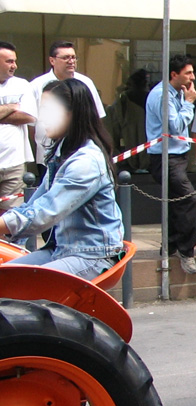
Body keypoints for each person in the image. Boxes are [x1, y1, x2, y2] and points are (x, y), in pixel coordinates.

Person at [1, 79, 123, 279]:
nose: (42, 119)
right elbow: (32, 206)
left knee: (19, 284)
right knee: (5, 279)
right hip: (62, 250)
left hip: (93, 257)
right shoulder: (62, 154)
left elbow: (45, 212)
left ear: (72, 113)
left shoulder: (85, 162)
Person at [145, 54, 196, 274]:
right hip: (165, 158)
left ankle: (170, 247)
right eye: (188, 73)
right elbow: (175, 127)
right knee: (188, 200)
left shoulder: (178, 92)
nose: (192, 77)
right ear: (174, 74)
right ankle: (186, 251)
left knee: (177, 203)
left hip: (178, 156)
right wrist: (189, 103)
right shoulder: (162, 95)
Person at [28, 42, 106, 172]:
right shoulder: (36, 86)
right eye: (65, 58)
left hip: (80, 150)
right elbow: (31, 125)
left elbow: (97, 116)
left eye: (73, 57)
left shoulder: (85, 83)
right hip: (47, 155)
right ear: (52, 60)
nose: (71, 61)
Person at [0, 41, 36, 213]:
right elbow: (21, 113)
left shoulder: (22, 85)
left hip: (14, 163)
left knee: (11, 216)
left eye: (14, 61)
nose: (15, 65)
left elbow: (29, 116)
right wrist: (12, 107)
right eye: (9, 61)